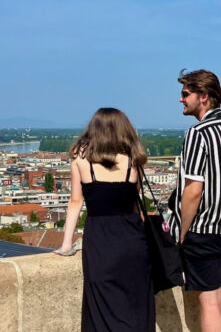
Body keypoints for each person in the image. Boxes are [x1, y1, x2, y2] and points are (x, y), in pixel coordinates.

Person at [170, 69, 221, 332]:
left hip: (206, 230)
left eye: (186, 94)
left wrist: (182, 233)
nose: (181, 100)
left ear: (203, 97)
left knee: (209, 301)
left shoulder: (198, 133)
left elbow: (193, 189)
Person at [55, 108, 152, 331]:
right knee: (136, 304)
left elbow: (75, 203)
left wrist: (66, 244)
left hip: (100, 241)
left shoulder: (80, 158)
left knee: (102, 307)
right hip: (133, 238)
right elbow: (135, 201)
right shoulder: (133, 159)